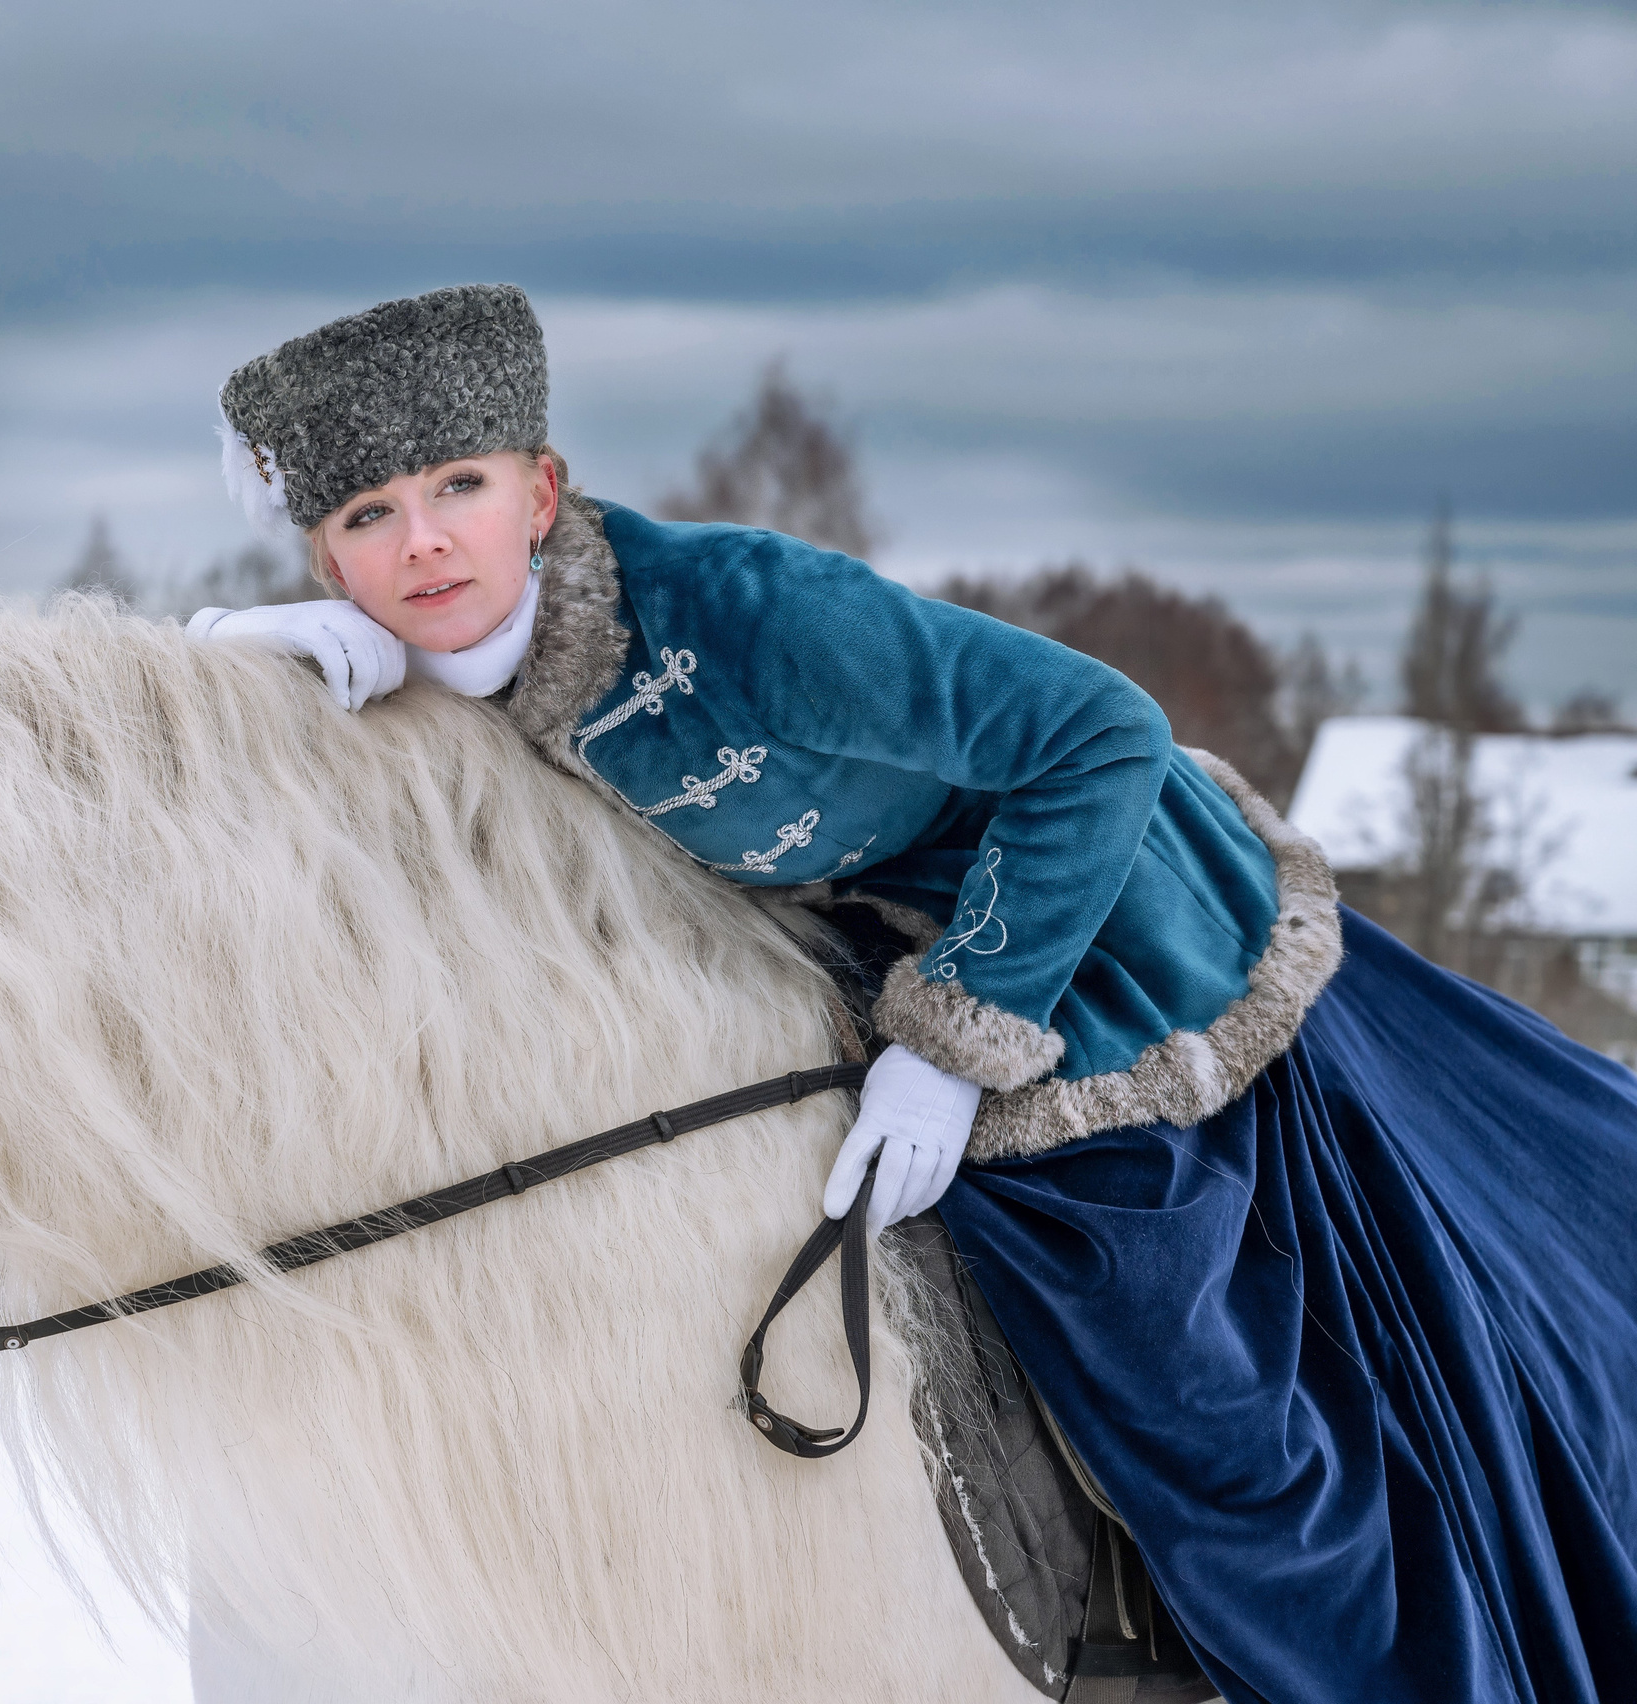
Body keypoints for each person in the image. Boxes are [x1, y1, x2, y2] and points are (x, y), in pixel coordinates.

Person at [185, 284, 1637, 1704]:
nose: (425, 541)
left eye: (459, 485)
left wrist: (953, 1045)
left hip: (1097, 910)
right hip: (854, 926)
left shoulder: (754, 620)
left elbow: (1099, 732)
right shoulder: (430, 664)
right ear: (325, 559)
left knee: (1165, 1341)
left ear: (544, 490)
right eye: (370, 515)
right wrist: (238, 680)